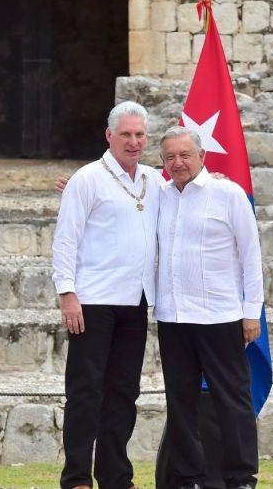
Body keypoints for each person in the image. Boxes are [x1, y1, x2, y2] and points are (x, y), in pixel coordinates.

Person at [52, 100, 160, 489]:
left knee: (123, 393)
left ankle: (116, 476)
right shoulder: (88, 178)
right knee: (85, 392)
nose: (133, 142)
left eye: (139, 135)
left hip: (136, 301)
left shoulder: (154, 179)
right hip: (93, 302)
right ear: (109, 136)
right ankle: (77, 477)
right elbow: (66, 239)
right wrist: (67, 293)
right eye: (126, 134)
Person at [154, 126, 264, 489]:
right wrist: (78, 190)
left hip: (221, 316)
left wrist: (252, 311)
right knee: (181, 401)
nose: (178, 163)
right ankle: (189, 477)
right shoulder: (160, 195)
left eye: (185, 155)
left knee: (233, 400)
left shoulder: (228, 194)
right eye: (170, 157)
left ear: (202, 156)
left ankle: (241, 477)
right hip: (174, 317)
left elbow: (251, 255)